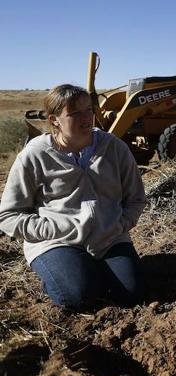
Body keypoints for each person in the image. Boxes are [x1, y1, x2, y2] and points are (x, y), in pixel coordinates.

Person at [0, 84, 146, 310]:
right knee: (77, 296)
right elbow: (8, 215)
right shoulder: (34, 155)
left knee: (133, 293)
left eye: (88, 110)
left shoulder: (115, 148)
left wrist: (120, 224)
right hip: (56, 241)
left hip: (108, 238)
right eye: (75, 113)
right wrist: (52, 229)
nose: (87, 118)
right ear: (54, 120)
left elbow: (136, 198)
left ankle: (88, 271)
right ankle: (65, 274)